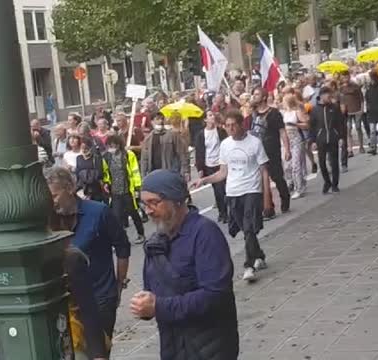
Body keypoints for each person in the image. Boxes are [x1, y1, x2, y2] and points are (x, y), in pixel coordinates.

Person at [131, 169, 238, 360]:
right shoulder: (155, 243)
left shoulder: (205, 234)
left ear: (177, 201)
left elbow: (215, 294)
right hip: (173, 346)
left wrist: (159, 307)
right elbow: (153, 294)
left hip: (210, 345)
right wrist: (145, 305)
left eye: (153, 202)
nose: (147, 210)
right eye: (143, 204)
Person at [46, 166, 130, 340]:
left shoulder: (99, 212)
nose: (52, 202)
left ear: (69, 188)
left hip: (100, 298)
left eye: (54, 196)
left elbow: (123, 246)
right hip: (68, 303)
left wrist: (120, 284)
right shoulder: (51, 220)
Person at [195, 110, 270, 282]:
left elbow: (264, 171)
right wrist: (204, 180)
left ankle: (249, 266)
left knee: (249, 227)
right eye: (227, 126)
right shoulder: (225, 145)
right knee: (245, 229)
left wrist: (267, 197)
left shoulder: (254, 143)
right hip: (233, 192)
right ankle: (259, 255)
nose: (230, 129)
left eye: (233, 125)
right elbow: (222, 173)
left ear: (241, 124)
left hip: (251, 190)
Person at [250, 87, 291, 217]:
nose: (254, 97)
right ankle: (268, 207)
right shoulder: (254, 114)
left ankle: (285, 198)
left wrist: (287, 149)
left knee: (277, 176)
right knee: (261, 180)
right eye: (253, 94)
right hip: (257, 152)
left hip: (272, 149)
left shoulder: (274, 113)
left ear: (263, 97)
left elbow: (282, 131)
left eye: (256, 94)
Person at [103, 135, 145, 244]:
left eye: (113, 145)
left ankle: (141, 234)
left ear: (118, 145)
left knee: (133, 212)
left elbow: (135, 171)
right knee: (116, 217)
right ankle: (121, 239)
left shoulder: (128, 155)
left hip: (128, 190)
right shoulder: (106, 157)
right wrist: (106, 183)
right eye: (109, 146)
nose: (111, 148)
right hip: (115, 192)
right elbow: (106, 172)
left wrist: (137, 188)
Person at [195, 110, 229, 222]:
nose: (212, 117)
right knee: (217, 190)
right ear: (205, 120)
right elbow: (199, 152)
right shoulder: (201, 134)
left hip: (221, 163)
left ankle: (226, 212)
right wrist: (200, 169)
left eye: (213, 115)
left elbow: (226, 145)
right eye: (209, 115)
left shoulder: (220, 131)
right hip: (209, 165)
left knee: (223, 189)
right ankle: (222, 212)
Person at [310, 86, 345, 194]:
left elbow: (340, 123)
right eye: (328, 96)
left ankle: (335, 184)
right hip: (321, 139)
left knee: (334, 162)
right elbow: (312, 125)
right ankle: (327, 181)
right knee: (322, 162)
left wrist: (341, 137)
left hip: (333, 137)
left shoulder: (334, 107)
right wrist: (313, 140)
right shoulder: (315, 110)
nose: (330, 98)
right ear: (321, 96)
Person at [140, 113, 189, 180]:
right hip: (154, 174)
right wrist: (143, 176)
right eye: (157, 119)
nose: (160, 121)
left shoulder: (172, 135)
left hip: (170, 172)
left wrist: (185, 171)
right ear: (152, 122)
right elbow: (144, 159)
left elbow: (182, 153)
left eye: (162, 119)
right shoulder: (148, 139)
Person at [281, 94, 309, 199]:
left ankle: (299, 188)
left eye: (284, 101)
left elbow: (306, 124)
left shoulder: (296, 112)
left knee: (296, 165)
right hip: (287, 141)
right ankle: (292, 182)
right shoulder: (284, 113)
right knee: (287, 165)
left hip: (297, 139)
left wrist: (295, 125)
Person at [75, 137, 109, 203]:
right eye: (82, 148)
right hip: (83, 189)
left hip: (95, 189)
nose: (84, 150)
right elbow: (77, 173)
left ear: (90, 148)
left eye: (86, 148)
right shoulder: (78, 158)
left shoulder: (96, 158)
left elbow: (100, 173)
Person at [340, 71, 365, 155]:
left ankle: (361, 146)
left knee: (358, 127)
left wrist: (362, 108)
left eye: (346, 77)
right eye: (343, 77)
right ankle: (350, 149)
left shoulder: (355, 86)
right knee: (348, 130)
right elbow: (341, 100)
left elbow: (361, 98)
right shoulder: (341, 88)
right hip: (347, 111)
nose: (345, 79)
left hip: (357, 109)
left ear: (349, 77)